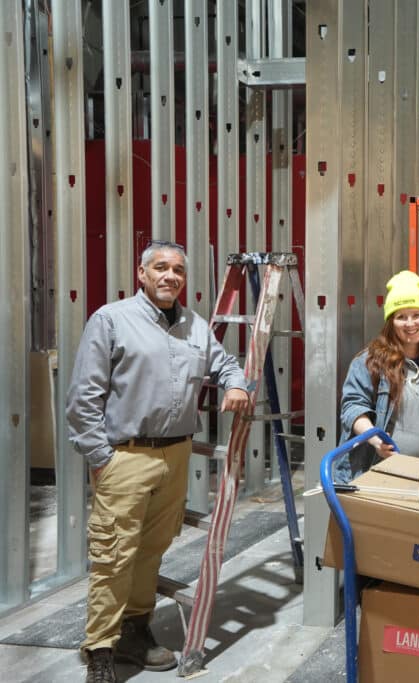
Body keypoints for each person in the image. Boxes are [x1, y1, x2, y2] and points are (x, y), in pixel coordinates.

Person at [66, 241, 250, 683]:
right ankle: (100, 650)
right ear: (142, 273)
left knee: (152, 548)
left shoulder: (195, 326)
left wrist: (236, 384)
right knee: (113, 554)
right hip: (125, 456)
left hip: (176, 455)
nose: (170, 276)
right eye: (161, 268)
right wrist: (101, 457)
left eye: (178, 270)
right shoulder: (111, 320)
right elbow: (83, 398)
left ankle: (135, 629)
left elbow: (225, 363)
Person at [335, 270, 419, 483]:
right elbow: (352, 409)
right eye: (401, 317)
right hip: (379, 474)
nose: (410, 323)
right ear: (390, 322)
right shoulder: (370, 361)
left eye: (416, 315)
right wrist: (375, 440)